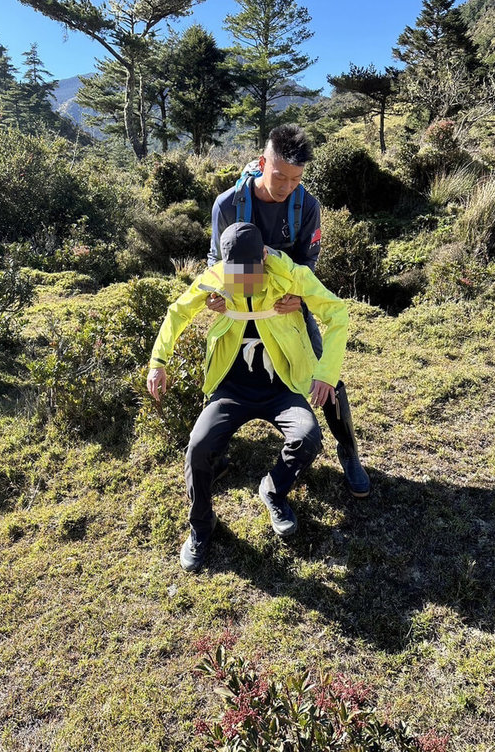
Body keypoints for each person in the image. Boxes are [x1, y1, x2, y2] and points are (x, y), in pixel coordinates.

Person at [147, 222, 349, 572]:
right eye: (234, 273)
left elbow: (337, 312)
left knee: (308, 437)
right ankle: (201, 525)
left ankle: (273, 490)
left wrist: (326, 373)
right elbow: (178, 311)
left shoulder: (290, 276)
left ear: (263, 257)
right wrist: (157, 362)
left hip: (282, 385)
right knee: (198, 447)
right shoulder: (217, 277)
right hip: (231, 388)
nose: (242, 281)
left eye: (249, 272)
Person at [206, 123, 369, 498]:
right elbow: (216, 260)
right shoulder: (228, 204)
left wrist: (302, 299)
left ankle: (349, 451)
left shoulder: (306, 206)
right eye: (280, 176)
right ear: (263, 162)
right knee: (221, 373)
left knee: (323, 370)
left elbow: (308, 263)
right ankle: (214, 456)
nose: (286, 187)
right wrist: (216, 294)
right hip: (239, 304)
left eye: (296, 180)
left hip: (287, 303)